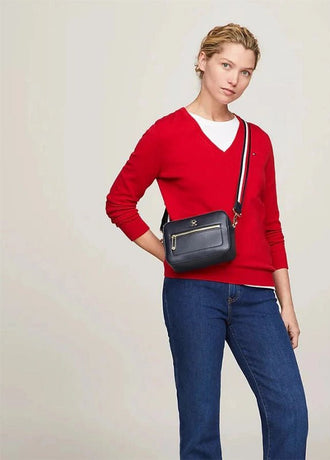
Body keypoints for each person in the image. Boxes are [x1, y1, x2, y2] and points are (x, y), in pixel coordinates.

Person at [105, 23, 308, 460]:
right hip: (193, 294)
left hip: (256, 296)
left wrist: (286, 303)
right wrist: (168, 255)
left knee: (290, 412)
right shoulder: (166, 133)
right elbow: (119, 202)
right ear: (203, 61)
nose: (235, 79)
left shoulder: (258, 141)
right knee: (200, 427)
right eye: (226, 65)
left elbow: (271, 226)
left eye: (246, 72)